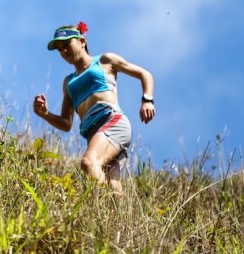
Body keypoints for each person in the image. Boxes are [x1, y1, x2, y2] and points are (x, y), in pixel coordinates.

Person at [33, 22, 155, 193]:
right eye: (59, 49)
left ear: (82, 41)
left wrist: (147, 100)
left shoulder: (104, 61)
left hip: (112, 121)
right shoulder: (68, 82)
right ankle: (119, 209)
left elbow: (144, 74)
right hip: (93, 133)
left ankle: (107, 201)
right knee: (111, 180)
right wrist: (45, 114)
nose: (63, 51)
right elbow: (66, 123)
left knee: (89, 163)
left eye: (67, 44)